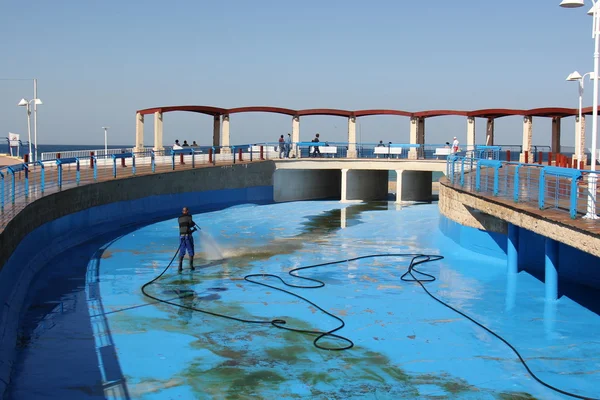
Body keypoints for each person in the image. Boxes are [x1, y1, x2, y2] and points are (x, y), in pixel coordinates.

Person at [178, 207, 198, 273]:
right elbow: (189, 225)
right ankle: (191, 266)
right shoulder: (189, 216)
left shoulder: (179, 218)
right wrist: (194, 228)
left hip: (181, 236)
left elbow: (184, 226)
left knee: (182, 251)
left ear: (182, 211)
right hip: (187, 237)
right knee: (191, 250)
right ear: (187, 211)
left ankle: (180, 267)